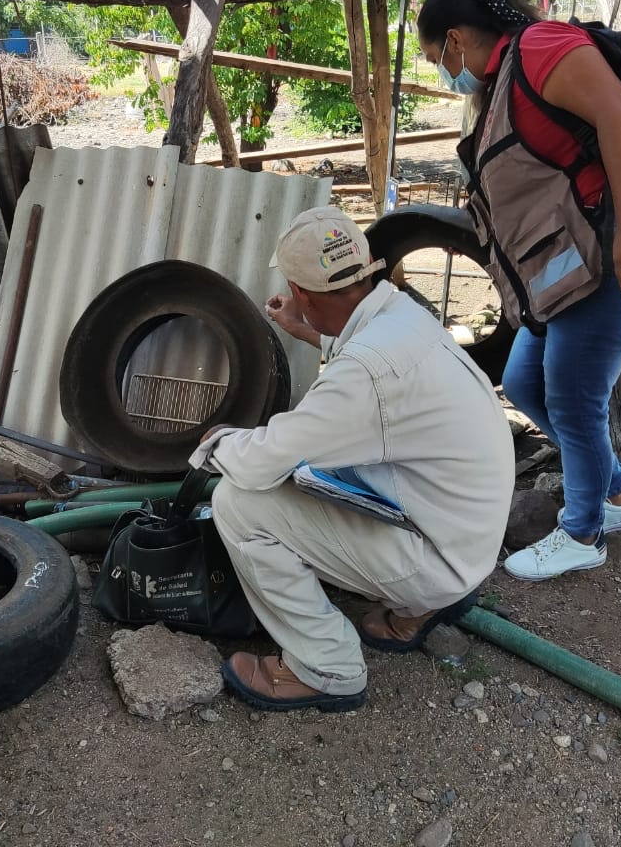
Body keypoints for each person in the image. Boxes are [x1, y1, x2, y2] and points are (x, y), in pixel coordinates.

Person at [415, 0, 621, 582]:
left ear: (457, 39)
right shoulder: (501, 83)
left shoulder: (541, 49)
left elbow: (619, 111)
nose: (443, 72)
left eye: (439, 58)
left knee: (572, 393)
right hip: (580, 263)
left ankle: (582, 531)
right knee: (525, 380)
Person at [190, 206, 514, 712]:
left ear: (300, 291)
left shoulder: (364, 373)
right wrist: (307, 332)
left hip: (439, 555)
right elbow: (368, 368)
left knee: (238, 501)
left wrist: (219, 442)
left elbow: (262, 461)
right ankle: (419, 606)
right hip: (468, 535)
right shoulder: (402, 314)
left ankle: (326, 667)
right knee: (321, 468)